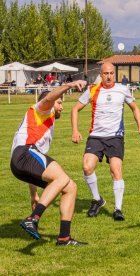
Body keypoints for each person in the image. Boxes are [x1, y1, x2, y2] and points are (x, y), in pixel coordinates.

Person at [11, 80, 88, 246]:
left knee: (70, 187)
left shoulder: (46, 121)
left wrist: (33, 196)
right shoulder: (42, 109)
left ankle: (64, 238)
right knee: (61, 178)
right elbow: (48, 99)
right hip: (24, 153)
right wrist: (70, 85)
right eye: (59, 102)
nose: (61, 106)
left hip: (23, 161)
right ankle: (33, 218)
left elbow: (34, 168)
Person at [71, 62, 140, 221]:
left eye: (112, 73)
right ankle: (97, 199)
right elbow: (75, 109)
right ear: (101, 74)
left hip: (115, 136)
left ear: (115, 74)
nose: (109, 76)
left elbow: (135, 108)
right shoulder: (92, 90)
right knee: (87, 167)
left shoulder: (122, 89)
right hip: (96, 136)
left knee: (115, 170)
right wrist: (75, 130)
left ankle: (118, 209)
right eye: (106, 73)